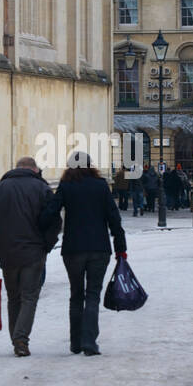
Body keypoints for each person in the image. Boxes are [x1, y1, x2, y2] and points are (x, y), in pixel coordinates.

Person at [39, 151, 127, 356]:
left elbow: (50, 212)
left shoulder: (67, 187)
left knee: (76, 295)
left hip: (73, 249)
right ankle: (89, 341)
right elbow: (114, 218)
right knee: (93, 294)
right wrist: (121, 247)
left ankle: (75, 342)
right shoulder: (101, 186)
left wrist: (40, 226)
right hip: (99, 248)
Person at [0, 157, 59, 357]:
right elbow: (55, 221)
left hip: (8, 252)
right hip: (34, 252)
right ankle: (21, 339)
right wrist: (46, 245)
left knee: (14, 297)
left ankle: (16, 338)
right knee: (29, 297)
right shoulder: (42, 189)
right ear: (33, 169)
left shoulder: (0, 189)